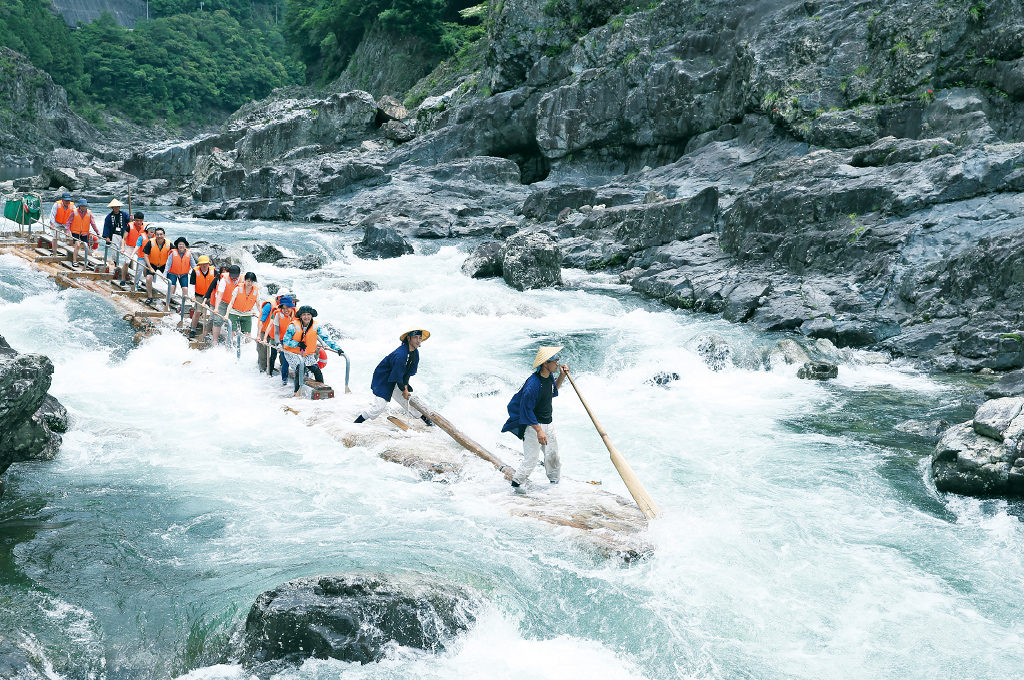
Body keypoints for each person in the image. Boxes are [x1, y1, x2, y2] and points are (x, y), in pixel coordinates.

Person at [500, 345, 569, 488]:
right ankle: (516, 486)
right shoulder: (532, 385)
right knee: (531, 460)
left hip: (547, 423)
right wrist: (539, 431)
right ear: (545, 364)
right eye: (555, 361)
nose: (558, 363)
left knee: (553, 456)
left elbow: (552, 390)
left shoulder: (548, 376)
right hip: (533, 427)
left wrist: (561, 376)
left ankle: (555, 485)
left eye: (557, 360)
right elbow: (526, 411)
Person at [354, 328, 432, 425]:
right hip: (384, 379)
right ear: (408, 338)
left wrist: (406, 387)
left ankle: (429, 423)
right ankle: (356, 423)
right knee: (378, 408)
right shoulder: (400, 355)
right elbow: (397, 375)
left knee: (408, 401)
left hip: (396, 378)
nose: (418, 340)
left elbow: (407, 373)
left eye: (420, 338)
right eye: (415, 337)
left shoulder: (415, 353)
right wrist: (403, 390)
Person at [282, 305, 343, 397]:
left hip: (307, 354)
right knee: (300, 368)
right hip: (293, 353)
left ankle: (322, 389)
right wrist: (297, 344)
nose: (306, 317)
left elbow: (326, 338)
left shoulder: (316, 326)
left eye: (308, 314)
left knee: (316, 370)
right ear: (301, 316)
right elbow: (286, 341)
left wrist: (338, 348)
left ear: (312, 315)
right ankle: (296, 392)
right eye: (304, 315)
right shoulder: (293, 326)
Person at [260, 295, 296, 381]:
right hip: (276, 338)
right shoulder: (277, 314)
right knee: (273, 355)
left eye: (288, 308)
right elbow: (271, 327)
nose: (286, 310)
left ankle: (285, 379)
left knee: (286, 358)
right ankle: (270, 373)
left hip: (288, 340)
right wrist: (266, 338)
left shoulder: (296, 313)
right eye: (283, 308)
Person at [210, 264, 242, 345]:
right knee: (218, 320)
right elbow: (219, 294)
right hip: (224, 302)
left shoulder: (244, 280)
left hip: (235, 303)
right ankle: (215, 340)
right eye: (232, 276)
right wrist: (216, 308)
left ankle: (229, 343)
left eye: (236, 276)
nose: (234, 278)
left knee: (234, 323)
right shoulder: (224, 279)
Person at [63, 198, 99, 267]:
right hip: (75, 231)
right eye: (82, 206)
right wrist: (67, 231)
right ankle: (74, 261)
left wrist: (97, 233)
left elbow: (93, 223)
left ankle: (89, 260)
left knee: (86, 246)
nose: (83, 207)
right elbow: (68, 222)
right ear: (79, 206)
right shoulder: (74, 212)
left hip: (84, 232)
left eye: (85, 206)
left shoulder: (89, 213)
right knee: (78, 245)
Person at [225, 271, 261, 339]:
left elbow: (258, 305)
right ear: (245, 280)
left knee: (247, 336)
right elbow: (231, 303)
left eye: (252, 281)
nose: (250, 283)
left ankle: (244, 349)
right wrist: (227, 314)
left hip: (247, 313)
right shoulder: (238, 289)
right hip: (234, 312)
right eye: (248, 281)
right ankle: (228, 348)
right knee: (232, 333)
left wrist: (261, 316)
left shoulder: (256, 291)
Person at [188, 255, 217, 339]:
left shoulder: (214, 271)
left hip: (211, 295)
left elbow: (217, 284)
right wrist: (192, 296)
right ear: (199, 265)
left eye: (206, 264)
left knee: (214, 313)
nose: (204, 266)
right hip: (199, 295)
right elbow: (192, 285)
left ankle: (210, 329)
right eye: (202, 264)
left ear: (208, 264)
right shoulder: (195, 271)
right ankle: (193, 329)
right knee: (197, 312)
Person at [141, 227, 171, 304]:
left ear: (164, 235)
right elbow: (145, 255)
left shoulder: (169, 243)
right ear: (155, 235)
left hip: (164, 264)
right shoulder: (150, 242)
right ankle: (150, 297)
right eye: (157, 234)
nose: (159, 236)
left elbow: (174, 255)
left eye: (161, 234)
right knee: (148, 278)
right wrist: (150, 267)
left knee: (172, 280)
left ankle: (170, 297)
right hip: (152, 264)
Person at [165, 237, 195, 306]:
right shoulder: (173, 253)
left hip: (183, 274)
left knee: (185, 289)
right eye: (179, 244)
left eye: (183, 244)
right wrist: (164, 274)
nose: (181, 246)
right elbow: (168, 265)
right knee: (171, 287)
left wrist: (197, 274)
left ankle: (183, 306)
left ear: (185, 246)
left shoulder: (189, 254)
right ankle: (167, 304)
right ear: (177, 245)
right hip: (172, 273)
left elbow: (194, 265)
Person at [101, 199, 129, 267]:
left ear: (119, 207)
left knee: (126, 250)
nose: (116, 208)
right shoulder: (109, 217)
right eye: (114, 207)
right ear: (112, 208)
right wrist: (107, 236)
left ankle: (127, 264)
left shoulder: (124, 214)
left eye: (117, 206)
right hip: (114, 235)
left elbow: (130, 222)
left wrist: (131, 219)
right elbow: (106, 227)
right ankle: (116, 264)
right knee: (114, 251)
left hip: (124, 235)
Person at [121, 213, 146, 284]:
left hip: (140, 248)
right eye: (137, 220)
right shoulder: (129, 226)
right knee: (127, 262)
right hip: (129, 246)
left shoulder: (145, 227)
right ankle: (123, 279)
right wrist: (122, 247)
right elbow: (124, 238)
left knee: (144, 263)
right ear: (134, 220)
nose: (139, 222)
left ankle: (144, 281)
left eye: (140, 221)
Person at [134, 224, 156, 289]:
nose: (152, 230)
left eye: (153, 229)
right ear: (147, 230)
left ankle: (149, 284)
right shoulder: (141, 237)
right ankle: (136, 283)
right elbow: (137, 246)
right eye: (151, 229)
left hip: (151, 258)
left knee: (153, 271)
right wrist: (132, 254)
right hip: (142, 257)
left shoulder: (156, 238)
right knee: (139, 270)